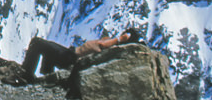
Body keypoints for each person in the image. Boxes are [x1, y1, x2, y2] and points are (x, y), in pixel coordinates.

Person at [11, 28, 140, 84]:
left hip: (71, 57)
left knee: (37, 43)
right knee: (48, 48)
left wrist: (120, 39)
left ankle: (26, 75)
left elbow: (102, 44)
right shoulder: (112, 45)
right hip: (70, 54)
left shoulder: (113, 46)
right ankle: (47, 77)